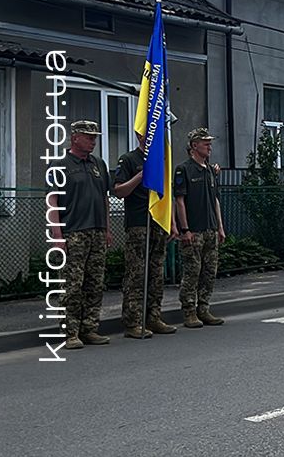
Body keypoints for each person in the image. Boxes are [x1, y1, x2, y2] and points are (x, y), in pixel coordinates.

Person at [49, 120, 114, 349]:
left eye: (95, 137)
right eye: (89, 137)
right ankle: (70, 333)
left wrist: (106, 228)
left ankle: (90, 328)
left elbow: (105, 197)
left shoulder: (99, 164)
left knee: (95, 283)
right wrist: (57, 235)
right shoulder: (60, 164)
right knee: (71, 285)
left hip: (96, 231)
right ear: (75, 137)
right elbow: (52, 200)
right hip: (74, 232)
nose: (93, 141)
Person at [114, 131, 179, 338]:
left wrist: (172, 222)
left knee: (156, 273)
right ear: (140, 136)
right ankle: (133, 321)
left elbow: (166, 194)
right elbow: (119, 191)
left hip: (158, 221)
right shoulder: (129, 159)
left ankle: (153, 316)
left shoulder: (160, 160)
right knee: (136, 274)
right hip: (138, 223)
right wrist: (139, 177)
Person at [174, 128, 226, 328]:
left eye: (210, 143)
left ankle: (204, 308)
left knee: (209, 271)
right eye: (205, 143)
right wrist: (185, 229)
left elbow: (215, 200)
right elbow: (179, 201)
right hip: (194, 230)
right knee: (192, 272)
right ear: (194, 145)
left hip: (210, 229)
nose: (209, 147)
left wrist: (220, 227)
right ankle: (189, 311)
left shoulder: (210, 171)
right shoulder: (184, 169)